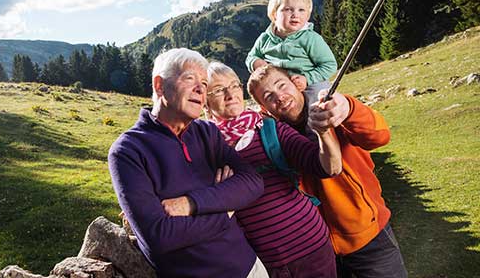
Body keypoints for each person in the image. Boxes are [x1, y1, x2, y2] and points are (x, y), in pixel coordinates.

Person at [108, 48, 268, 278]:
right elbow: (159, 237)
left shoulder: (207, 133)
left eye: (204, 82)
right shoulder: (127, 151)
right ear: (160, 85)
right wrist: (226, 209)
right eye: (189, 78)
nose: (201, 88)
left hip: (251, 268)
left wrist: (192, 204)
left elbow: (253, 182)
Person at [247, 65, 408, 278]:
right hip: (318, 249)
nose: (280, 97)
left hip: (367, 235)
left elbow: (380, 137)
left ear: (296, 83)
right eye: (269, 96)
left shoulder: (332, 108)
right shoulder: (270, 139)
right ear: (264, 108)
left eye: (282, 86)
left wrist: (348, 108)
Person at [202, 61, 342, 278]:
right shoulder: (205, 150)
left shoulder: (270, 128)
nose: (231, 94)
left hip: (312, 248)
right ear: (205, 102)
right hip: (263, 265)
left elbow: (329, 168)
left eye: (234, 85)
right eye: (219, 90)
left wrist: (323, 134)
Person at [245, 0, 337, 105]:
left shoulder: (311, 38)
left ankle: (319, 123)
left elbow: (329, 65)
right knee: (266, 102)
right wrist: (255, 62)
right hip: (278, 88)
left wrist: (307, 78)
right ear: (274, 14)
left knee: (318, 99)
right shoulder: (265, 39)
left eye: (301, 10)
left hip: (309, 86)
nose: (295, 15)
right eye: (288, 9)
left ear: (308, 15)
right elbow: (251, 57)